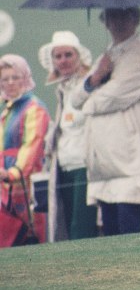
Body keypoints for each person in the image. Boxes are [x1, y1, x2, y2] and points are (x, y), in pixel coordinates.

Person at [71, 7, 140, 235]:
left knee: (128, 236)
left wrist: (88, 103)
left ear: (136, 19)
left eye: (124, 16)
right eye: (112, 16)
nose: (118, 22)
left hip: (130, 162)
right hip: (104, 164)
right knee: (110, 238)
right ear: (105, 21)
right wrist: (95, 77)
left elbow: (112, 97)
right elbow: (75, 98)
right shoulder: (106, 57)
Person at [39, 31, 98, 240]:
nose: (63, 61)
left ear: (79, 57)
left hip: (84, 165)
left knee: (80, 228)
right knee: (66, 226)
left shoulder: (89, 85)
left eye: (68, 55)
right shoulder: (61, 90)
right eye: (58, 56)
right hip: (63, 166)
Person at [1, 54, 50, 243]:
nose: (10, 83)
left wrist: (13, 173)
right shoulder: (6, 109)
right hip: (4, 183)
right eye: (5, 79)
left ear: (25, 78)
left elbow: (33, 145)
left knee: (27, 235)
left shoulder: (34, 108)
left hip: (25, 181)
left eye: (15, 77)